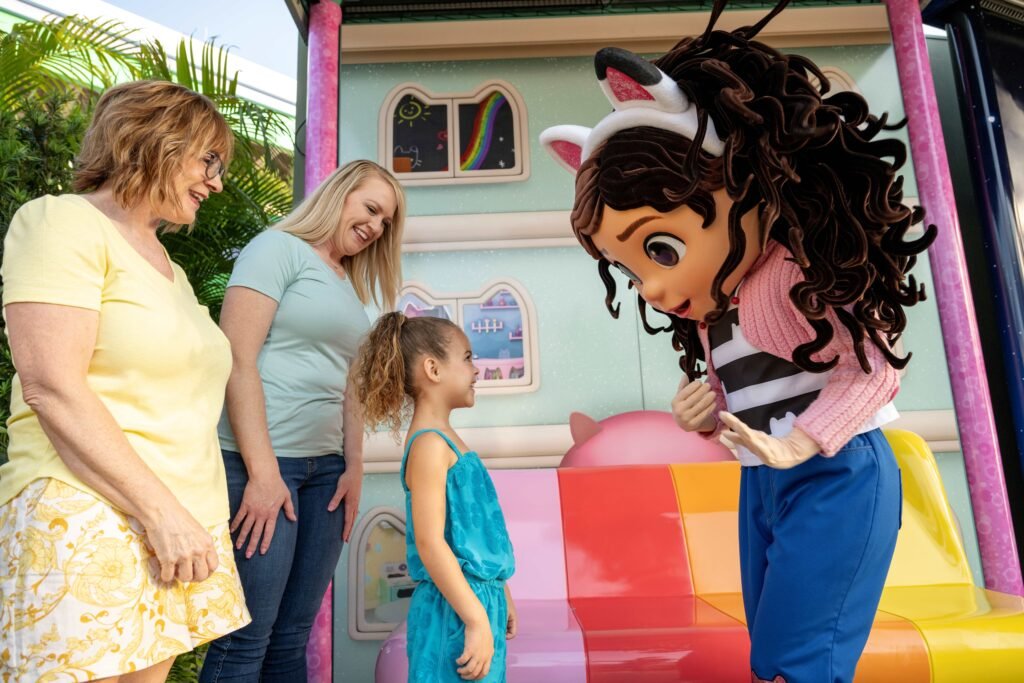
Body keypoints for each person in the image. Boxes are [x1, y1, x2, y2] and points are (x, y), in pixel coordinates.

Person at [540, 1, 936, 681]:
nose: (650, 288)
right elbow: (749, 391)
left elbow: (873, 371)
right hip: (765, 481)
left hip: (838, 475)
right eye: (630, 268)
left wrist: (800, 441)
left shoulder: (791, 273)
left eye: (660, 250)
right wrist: (704, 415)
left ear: (745, 185)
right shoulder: (711, 310)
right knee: (770, 658)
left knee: (798, 661)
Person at [0, 80, 249, 682]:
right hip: (90, 511)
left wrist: (179, 520)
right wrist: (161, 513)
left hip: (178, 522)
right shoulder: (60, 222)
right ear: (157, 140)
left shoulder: (174, 271)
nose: (216, 182)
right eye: (208, 160)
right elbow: (51, 386)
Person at [200, 160, 405, 682]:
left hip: (325, 475)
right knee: (246, 637)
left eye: (386, 222)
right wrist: (263, 472)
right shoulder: (277, 250)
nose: (376, 227)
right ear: (339, 195)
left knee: (292, 636)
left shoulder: (346, 285)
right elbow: (236, 358)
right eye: (371, 209)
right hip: (265, 467)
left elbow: (351, 388)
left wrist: (353, 467)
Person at [354, 313, 517, 682]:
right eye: (467, 358)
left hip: (476, 601)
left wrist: (499, 589)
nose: (476, 369)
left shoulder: (448, 441)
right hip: (454, 612)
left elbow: (473, 534)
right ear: (433, 369)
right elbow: (430, 543)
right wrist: (475, 619)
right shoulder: (430, 446)